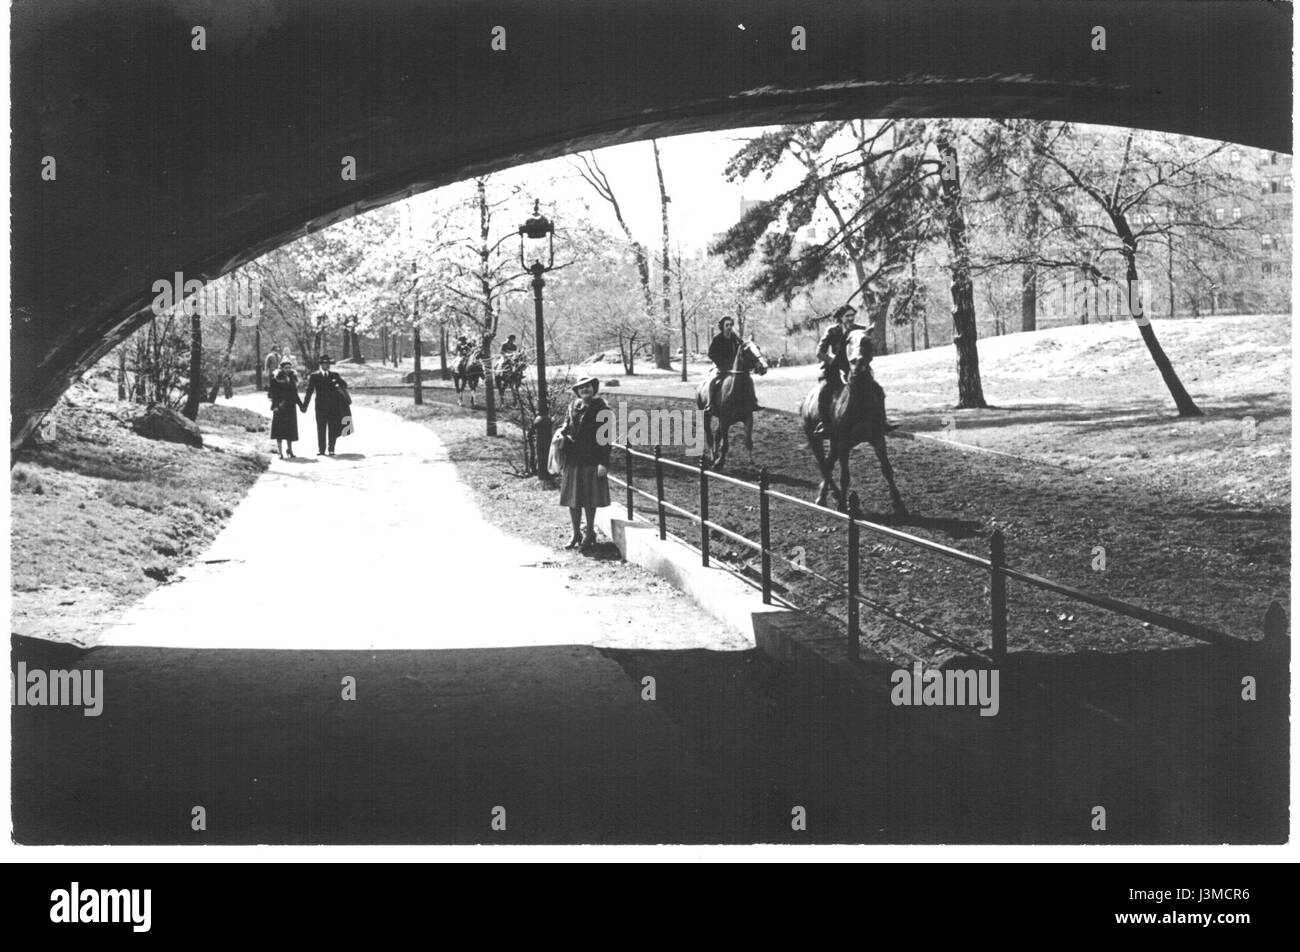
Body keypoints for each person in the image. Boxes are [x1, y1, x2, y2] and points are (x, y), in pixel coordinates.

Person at [813, 304, 895, 437]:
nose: (851, 318)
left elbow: (868, 348)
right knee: (824, 392)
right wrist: (832, 360)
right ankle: (825, 425)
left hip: (854, 368)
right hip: (832, 369)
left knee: (878, 390)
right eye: (847, 316)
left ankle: (882, 422)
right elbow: (819, 352)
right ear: (840, 317)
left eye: (852, 315)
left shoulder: (861, 330)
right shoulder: (832, 330)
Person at [558, 376, 611, 553]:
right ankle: (575, 534)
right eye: (581, 388)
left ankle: (589, 534)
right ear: (577, 391)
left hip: (592, 459)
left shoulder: (602, 409)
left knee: (589, 500)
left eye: (588, 386)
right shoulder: (573, 406)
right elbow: (566, 426)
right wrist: (561, 433)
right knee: (573, 500)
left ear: (593, 388)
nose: (584, 390)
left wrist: (603, 463)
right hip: (573, 459)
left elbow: (606, 439)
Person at [703, 316, 759, 413]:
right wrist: (721, 364)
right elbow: (711, 354)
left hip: (735, 367)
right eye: (727, 325)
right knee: (713, 381)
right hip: (721, 367)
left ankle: (753, 402)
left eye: (730, 325)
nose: (729, 327)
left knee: (749, 379)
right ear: (722, 327)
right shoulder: (717, 339)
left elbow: (742, 346)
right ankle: (710, 404)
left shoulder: (734, 337)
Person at [301, 354, 350, 456]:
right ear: (320, 365)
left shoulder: (334, 375)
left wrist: (337, 383)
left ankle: (331, 448)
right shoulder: (314, 376)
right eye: (324, 364)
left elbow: (344, 385)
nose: (326, 365)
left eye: (327, 364)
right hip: (320, 406)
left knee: (332, 427)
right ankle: (321, 449)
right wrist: (304, 405)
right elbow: (309, 391)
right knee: (321, 427)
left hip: (333, 406)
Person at [267, 357, 304, 458]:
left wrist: (301, 406)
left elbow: (295, 394)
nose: (288, 369)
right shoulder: (276, 379)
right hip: (279, 407)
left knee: (290, 430)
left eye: (289, 367)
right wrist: (275, 406)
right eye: (286, 367)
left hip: (290, 407)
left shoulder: (293, 379)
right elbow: (271, 394)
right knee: (279, 430)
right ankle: (280, 451)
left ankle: (290, 450)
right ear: (282, 368)